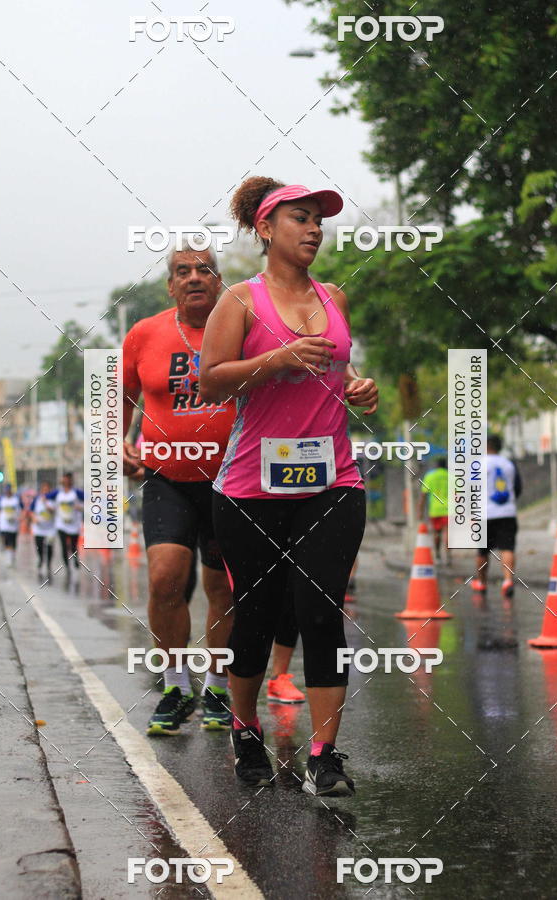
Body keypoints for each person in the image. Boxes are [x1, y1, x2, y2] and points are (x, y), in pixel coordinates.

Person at [200, 177, 378, 796]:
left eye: (319, 221)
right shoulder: (240, 302)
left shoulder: (334, 297)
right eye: (300, 219)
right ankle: (245, 728)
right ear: (266, 230)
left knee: (322, 612)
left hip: (333, 481)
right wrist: (271, 361)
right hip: (251, 488)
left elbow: (340, 364)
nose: (313, 230)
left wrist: (359, 385)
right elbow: (212, 383)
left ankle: (325, 754)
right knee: (257, 615)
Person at [122, 241, 236, 734]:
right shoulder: (145, 334)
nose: (194, 277)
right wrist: (116, 445)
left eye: (204, 270)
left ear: (218, 281)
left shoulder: (245, 327)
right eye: (183, 271)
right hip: (167, 477)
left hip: (233, 479)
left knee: (223, 587)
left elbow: (314, 352)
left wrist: (353, 382)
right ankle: (173, 685)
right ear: (170, 285)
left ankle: (216, 687)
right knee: (165, 578)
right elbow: (117, 396)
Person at [471, 435, 522, 597]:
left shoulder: (478, 464)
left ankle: (481, 582)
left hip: (484, 513)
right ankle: (507, 580)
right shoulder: (509, 464)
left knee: (482, 551)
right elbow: (517, 488)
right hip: (507, 513)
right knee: (507, 547)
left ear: (486, 446)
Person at [48, 473, 84, 576]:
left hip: (73, 524)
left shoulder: (76, 492)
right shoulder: (58, 493)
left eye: (67, 480)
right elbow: (44, 496)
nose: (65, 482)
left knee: (73, 547)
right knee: (63, 546)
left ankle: (75, 561)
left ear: (70, 481)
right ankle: (67, 567)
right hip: (61, 524)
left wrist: (80, 507)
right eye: (63, 480)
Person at [419, 457, 451, 564]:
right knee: (448, 533)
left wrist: (420, 511)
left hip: (435, 510)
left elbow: (423, 495)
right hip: (449, 509)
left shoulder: (430, 476)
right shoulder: (452, 476)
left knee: (437, 533)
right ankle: (448, 556)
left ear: (437, 466)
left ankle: (437, 554)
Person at [28, 480, 56, 578]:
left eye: (47, 489)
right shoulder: (36, 499)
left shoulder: (53, 500)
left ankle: (48, 564)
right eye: (43, 489)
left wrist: (46, 504)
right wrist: (34, 518)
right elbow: (31, 511)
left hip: (50, 529)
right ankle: (41, 560)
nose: (45, 491)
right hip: (39, 529)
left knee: (49, 548)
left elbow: (54, 511)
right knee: (39, 547)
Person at [0, 483, 23, 567]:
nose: (7, 492)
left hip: (14, 525)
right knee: (6, 542)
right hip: (4, 525)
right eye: (6, 490)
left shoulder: (16, 499)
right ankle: (8, 558)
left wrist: (19, 518)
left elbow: (22, 510)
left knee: (13, 542)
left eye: (8, 490)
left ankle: (12, 555)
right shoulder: (1, 499)